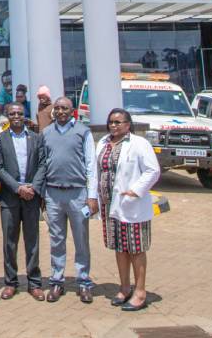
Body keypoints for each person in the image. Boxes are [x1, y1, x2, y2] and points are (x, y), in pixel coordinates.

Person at [89, 108, 161, 312]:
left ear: (128, 124)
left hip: (132, 205)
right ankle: (124, 287)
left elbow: (153, 170)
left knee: (136, 248)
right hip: (110, 205)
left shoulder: (139, 144)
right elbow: (97, 171)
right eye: (111, 122)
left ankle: (140, 292)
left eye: (118, 122)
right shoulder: (103, 143)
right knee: (120, 247)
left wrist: (135, 190)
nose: (113, 125)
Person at [36, 95, 98, 304]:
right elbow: (42, 164)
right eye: (58, 108)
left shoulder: (83, 132)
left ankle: (83, 281)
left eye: (65, 108)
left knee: (81, 239)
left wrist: (92, 196)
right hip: (53, 194)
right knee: (56, 239)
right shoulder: (46, 133)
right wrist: (42, 193)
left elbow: (91, 165)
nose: (61, 111)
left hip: (77, 193)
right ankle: (57, 280)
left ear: (72, 111)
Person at [0, 103, 45, 300]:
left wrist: (33, 187)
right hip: (10, 197)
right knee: (10, 242)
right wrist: (17, 187)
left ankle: (34, 282)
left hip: (32, 196)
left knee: (32, 241)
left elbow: (43, 164)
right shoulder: (0, 139)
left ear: (24, 116)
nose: (16, 116)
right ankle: (11, 282)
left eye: (19, 113)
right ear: (6, 116)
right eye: (12, 113)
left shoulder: (35, 138)